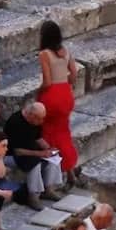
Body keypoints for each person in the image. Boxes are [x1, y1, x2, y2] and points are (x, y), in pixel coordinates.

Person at [37, 20, 79, 184]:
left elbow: (47, 81)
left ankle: (52, 178)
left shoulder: (44, 54)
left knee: (48, 134)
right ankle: (70, 172)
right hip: (65, 94)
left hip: (52, 95)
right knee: (64, 133)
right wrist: (64, 84)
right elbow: (74, 75)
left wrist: (38, 92)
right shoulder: (66, 51)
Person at [2, 102, 63, 210]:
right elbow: (17, 151)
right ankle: (33, 196)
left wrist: (49, 149)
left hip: (29, 150)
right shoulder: (15, 123)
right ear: (31, 116)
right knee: (34, 163)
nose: (42, 122)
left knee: (53, 157)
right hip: (11, 155)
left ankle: (48, 189)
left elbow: (38, 138)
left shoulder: (36, 122)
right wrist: (40, 154)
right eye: (40, 119)